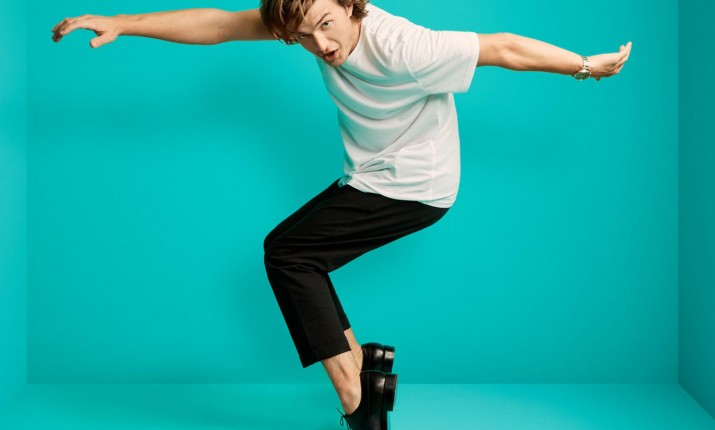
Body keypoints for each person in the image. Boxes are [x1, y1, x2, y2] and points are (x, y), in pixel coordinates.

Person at [51, 1, 632, 429]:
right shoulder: (304, 13)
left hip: (415, 186)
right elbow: (220, 24)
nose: (322, 45)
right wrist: (125, 23)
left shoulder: (404, 45)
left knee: (290, 255)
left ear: (353, 5)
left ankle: (359, 402)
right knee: (295, 252)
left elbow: (503, 47)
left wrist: (586, 66)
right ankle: (366, 366)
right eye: (304, 37)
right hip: (374, 175)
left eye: (328, 25)